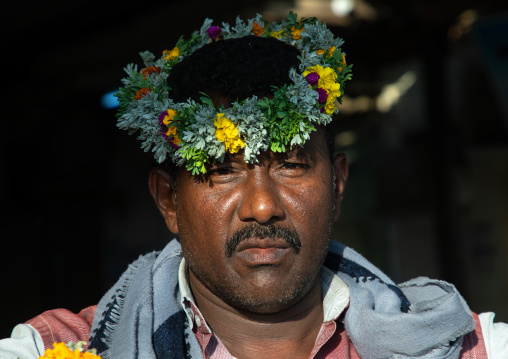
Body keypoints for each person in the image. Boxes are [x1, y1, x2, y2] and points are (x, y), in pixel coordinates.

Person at [1, 12, 507, 359]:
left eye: (290, 164)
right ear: (167, 201)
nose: (262, 206)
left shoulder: (459, 343)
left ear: (337, 185)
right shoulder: (60, 349)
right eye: (221, 169)